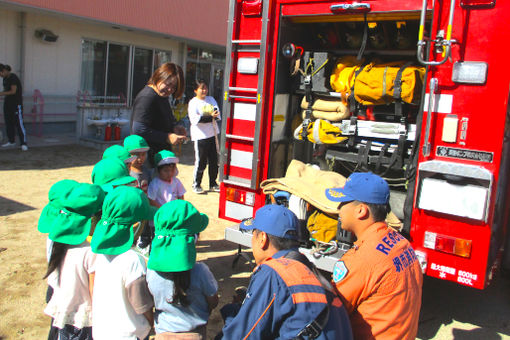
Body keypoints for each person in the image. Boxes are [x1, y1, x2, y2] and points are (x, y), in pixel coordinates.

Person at [221, 204, 353, 340]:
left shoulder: (273, 272)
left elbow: (241, 336)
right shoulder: (309, 269)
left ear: (262, 239)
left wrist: (230, 314)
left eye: (253, 236)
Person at [325, 172, 423, 340]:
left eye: (343, 202)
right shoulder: (402, 243)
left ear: (361, 210)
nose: (338, 208)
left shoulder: (362, 259)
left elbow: (329, 311)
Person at [37, 180, 105, 340]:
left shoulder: (59, 240)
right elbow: (95, 292)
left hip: (64, 306)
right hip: (82, 316)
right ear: (94, 218)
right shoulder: (90, 251)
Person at [90, 186, 157, 340]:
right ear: (136, 225)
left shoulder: (99, 250)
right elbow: (141, 304)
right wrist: (150, 322)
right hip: (130, 334)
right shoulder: (133, 260)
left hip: (103, 330)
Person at [147, 200, 218, 339]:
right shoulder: (201, 271)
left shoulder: (151, 271)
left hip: (163, 333)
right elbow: (213, 301)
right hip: (195, 333)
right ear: (194, 239)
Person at [131, 62, 187, 167]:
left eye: (174, 87)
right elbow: (138, 129)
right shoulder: (147, 97)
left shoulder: (161, 96)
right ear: (159, 76)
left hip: (158, 157)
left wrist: (174, 129)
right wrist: (167, 137)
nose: (170, 89)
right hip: (146, 159)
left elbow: (159, 123)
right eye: (168, 84)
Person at [187, 79, 221, 194]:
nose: (204, 90)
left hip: (213, 134)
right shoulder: (193, 103)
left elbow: (217, 114)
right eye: (201, 88)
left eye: (205, 88)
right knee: (201, 161)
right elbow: (195, 120)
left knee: (214, 161)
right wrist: (210, 116)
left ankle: (213, 183)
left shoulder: (211, 100)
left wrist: (211, 116)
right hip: (200, 136)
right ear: (196, 90)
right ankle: (196, 184)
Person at [0, 64, 27, 151]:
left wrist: (1, 93)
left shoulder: (13, 77)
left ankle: (23, 143)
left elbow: (13, 91)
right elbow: (6, 90)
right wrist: (3, 93)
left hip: (16, 104)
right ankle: (11, 141)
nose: (0, 75)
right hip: (7, 104)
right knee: (8, 123)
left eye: (1, 73)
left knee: (19, 123)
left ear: (4, 70)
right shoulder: (5, 79)